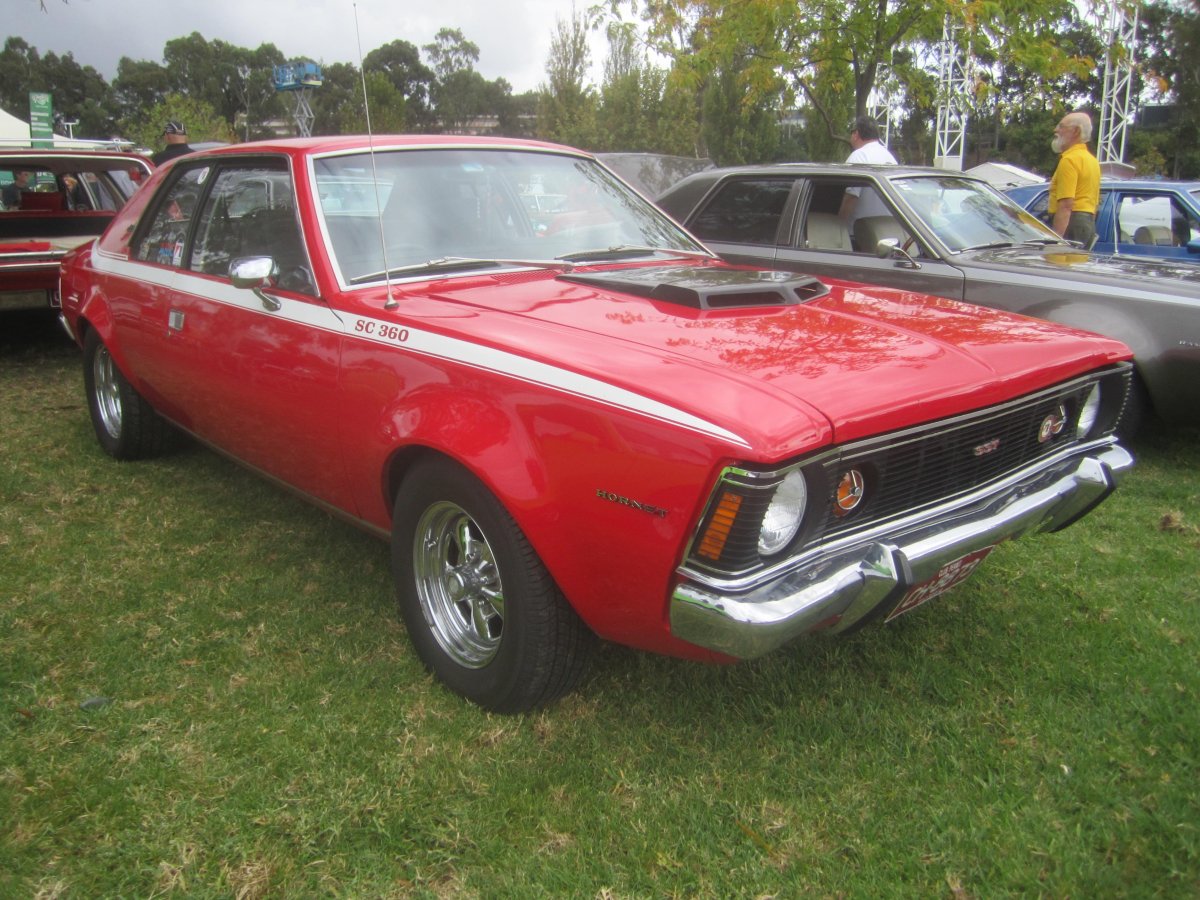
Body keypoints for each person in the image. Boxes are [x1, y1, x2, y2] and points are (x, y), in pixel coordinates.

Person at [839, 115, 898, 246]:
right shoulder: (890, 158)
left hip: (858, 236)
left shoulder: (858, 157)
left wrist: (838, 226)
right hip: (888, 234)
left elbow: (851, 197)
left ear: (856, 134)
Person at [1048, 111, 1101, 247]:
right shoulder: (1092, 160)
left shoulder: (1069, 160)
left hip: (1071, 223)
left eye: (1061, 126)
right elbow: (1094, 203)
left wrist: (1056, 241)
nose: (1056, 130)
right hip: (1087, 223)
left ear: (1076, 131)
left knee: (1061, 265)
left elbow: (1066, 205)